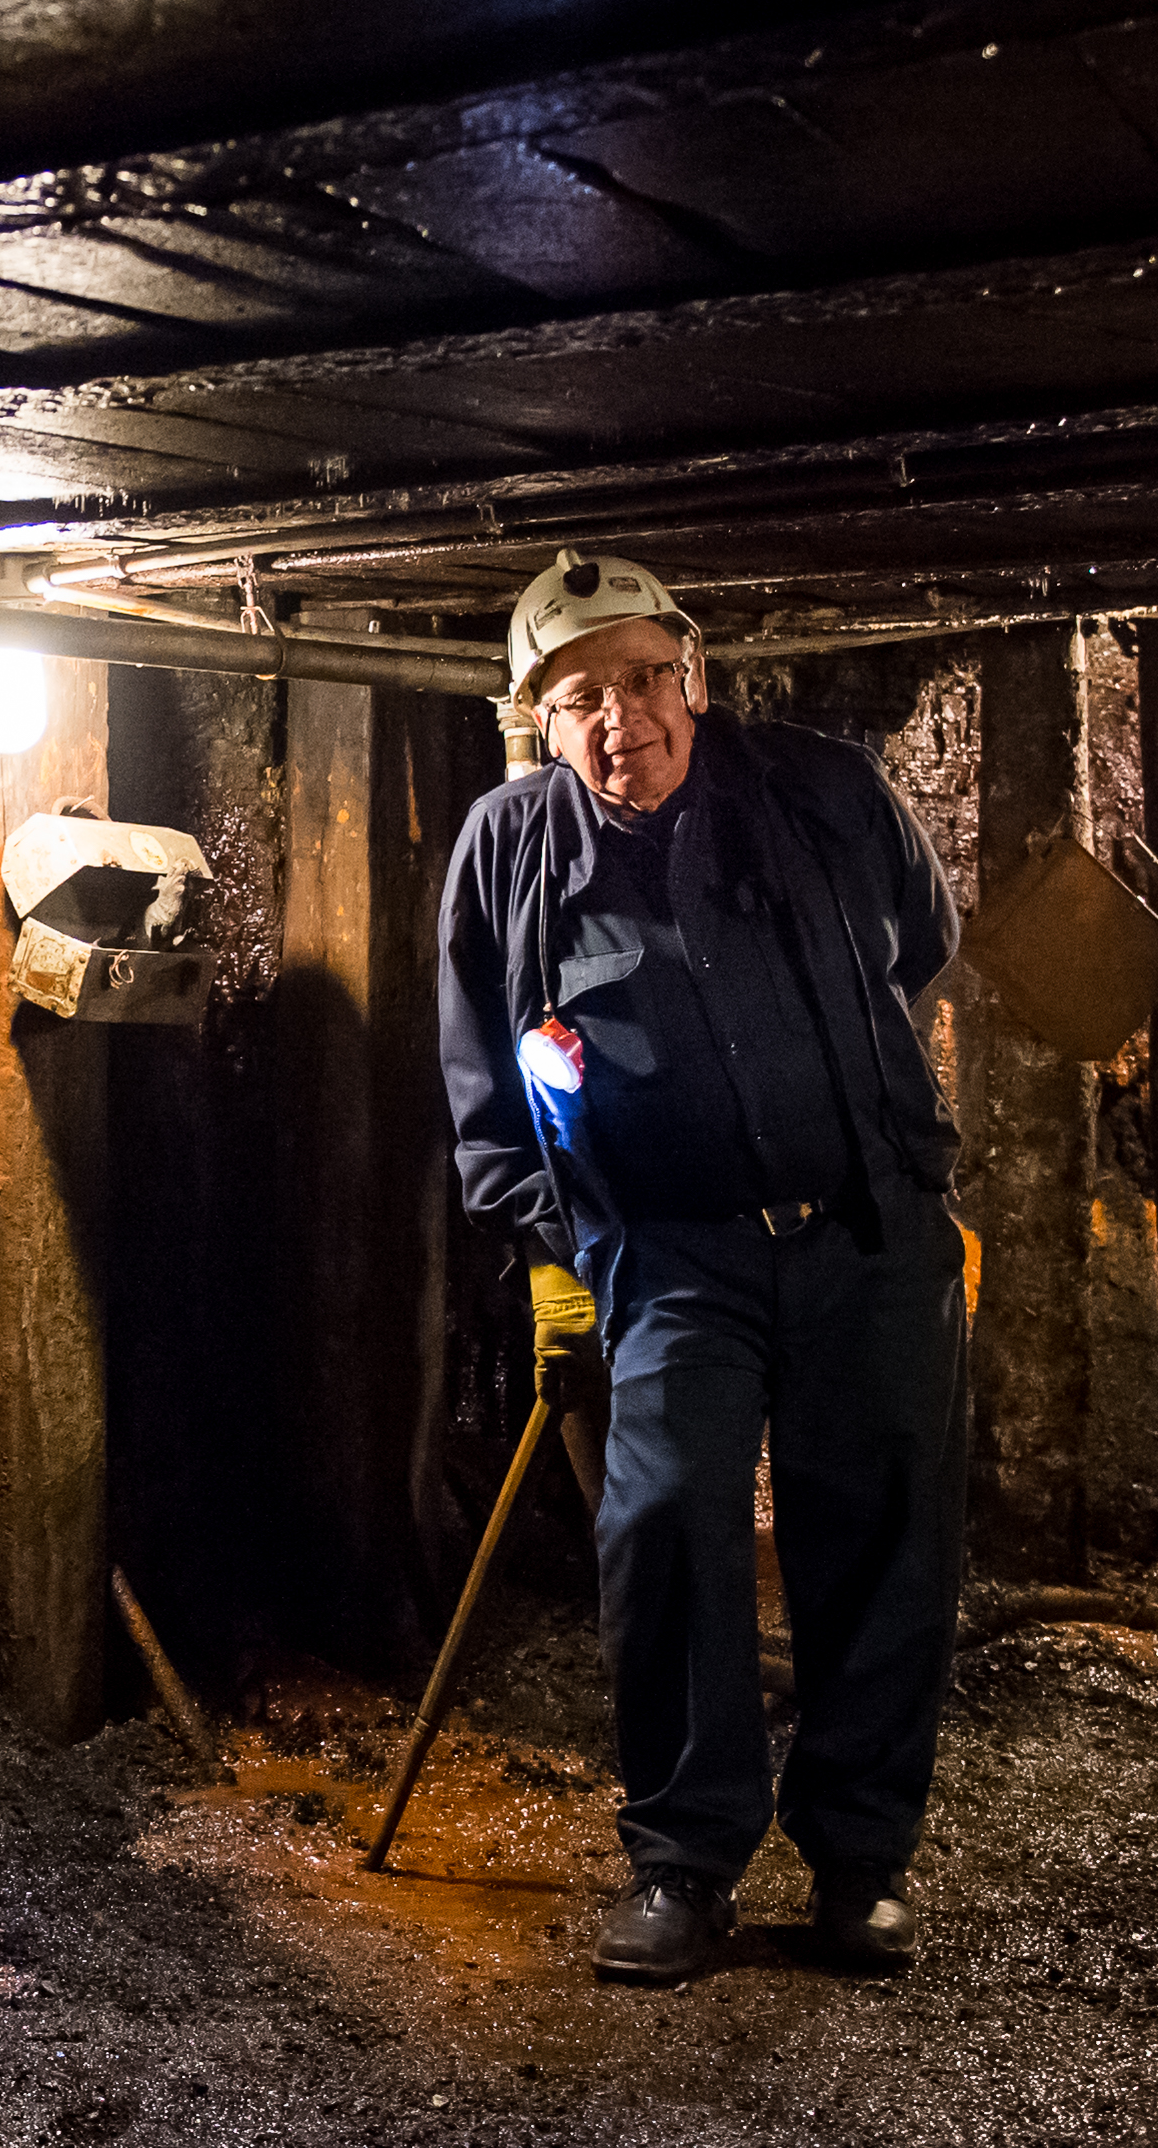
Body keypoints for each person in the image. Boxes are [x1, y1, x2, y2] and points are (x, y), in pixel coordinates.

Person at [435, 550, 964, 1986]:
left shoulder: (822, 793)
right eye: (580, 696)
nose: (625, 719)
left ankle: (860, 1862)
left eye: (646, 679)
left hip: (861, 1228)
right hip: (666, 1253)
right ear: (537, 719)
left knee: (880, 1533)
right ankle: (685, 1860)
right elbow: (482, 1070)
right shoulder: (507, 847)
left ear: (693, 674)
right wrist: (547, 1250)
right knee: (665, 1527)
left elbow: (918, 941)